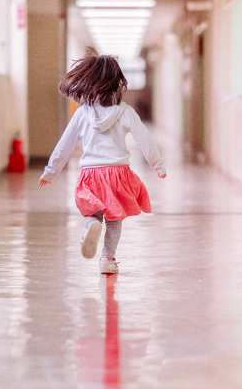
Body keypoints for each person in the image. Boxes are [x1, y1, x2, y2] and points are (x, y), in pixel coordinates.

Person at [39, 48, 166, 274]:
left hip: (91, 173)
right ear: (117, 83)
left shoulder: (82, 113)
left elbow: (65, 145)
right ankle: (107, 258)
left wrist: (50, 172)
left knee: (90, 211)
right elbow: (145, 139)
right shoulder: (125, 112)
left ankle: (92, 224)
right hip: (118, 173)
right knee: (115, 220)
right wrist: (158, 165)